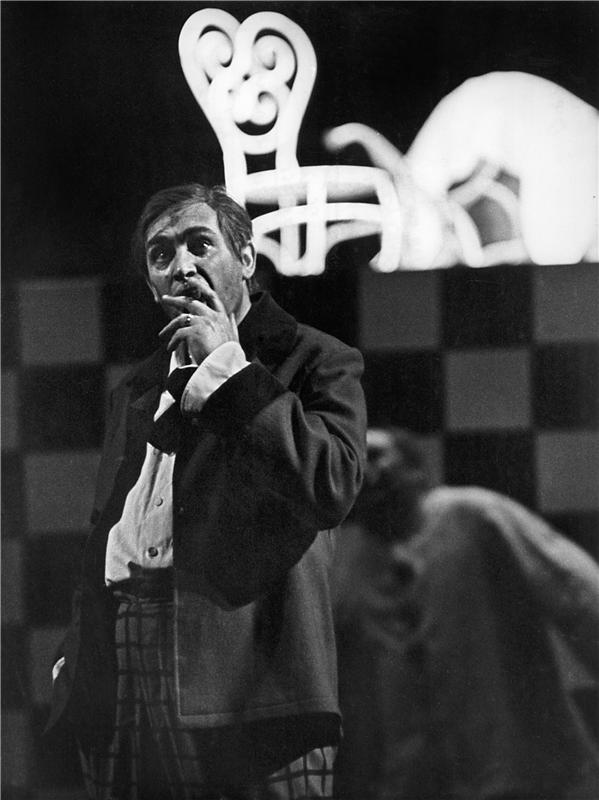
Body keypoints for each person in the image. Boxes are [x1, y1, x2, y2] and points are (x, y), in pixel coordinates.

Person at [46, 183, 367, 799]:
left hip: (249, 677)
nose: (182, 265)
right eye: (161, 255)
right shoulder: (138, 387)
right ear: (151, 285)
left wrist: (230, 370)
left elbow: (330, 483)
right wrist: (75, 652)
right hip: (122, 657)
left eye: (200, 244)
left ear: (245, 259)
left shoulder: (314, 359)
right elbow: (108, 527)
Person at [333, 428, 599, 800]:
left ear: (416, 470)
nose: (365, 468)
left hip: (528, 775)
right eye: (353, 459)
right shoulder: (349, 568)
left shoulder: (472, 515)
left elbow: (579, 594)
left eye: (376, 454)